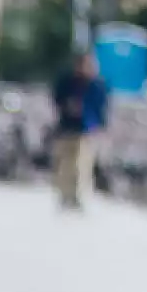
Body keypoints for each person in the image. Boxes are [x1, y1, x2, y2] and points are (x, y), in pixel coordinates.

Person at [51, 47, 109, 209]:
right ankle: (65, 195)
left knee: (81, 164)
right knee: (64, 163)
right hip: (66, 127)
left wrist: (99, 125)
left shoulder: (96, 85)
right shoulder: (67, 81)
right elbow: (57, 98)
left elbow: (101, 107)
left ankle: (79, 195)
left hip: (86, 129)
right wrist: (67, 107)